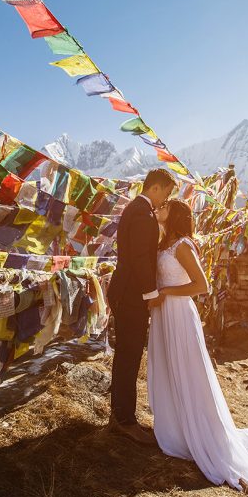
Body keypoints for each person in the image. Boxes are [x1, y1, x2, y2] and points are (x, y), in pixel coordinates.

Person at [148, 199, 248, 493]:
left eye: (165, 206)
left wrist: (165, 291)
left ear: (176, 214)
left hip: (179, 313)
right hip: (164, 314)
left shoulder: (182, 245)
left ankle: (201, 432)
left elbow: (201, 285)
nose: (159, 209)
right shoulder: (163, 243)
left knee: (188, 371)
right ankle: (177, 427)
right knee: (168, 368)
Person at [106, 168, 176, 445]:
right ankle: (124, 420)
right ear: (156, 188)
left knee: (128, 353)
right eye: (167, 193)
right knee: (129, 354)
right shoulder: (144, 216)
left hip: (126, 291)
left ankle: (121, 414)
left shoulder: (135, 209)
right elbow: (138, 258)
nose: (165, 201)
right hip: (131, 293)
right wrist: (151, 293)